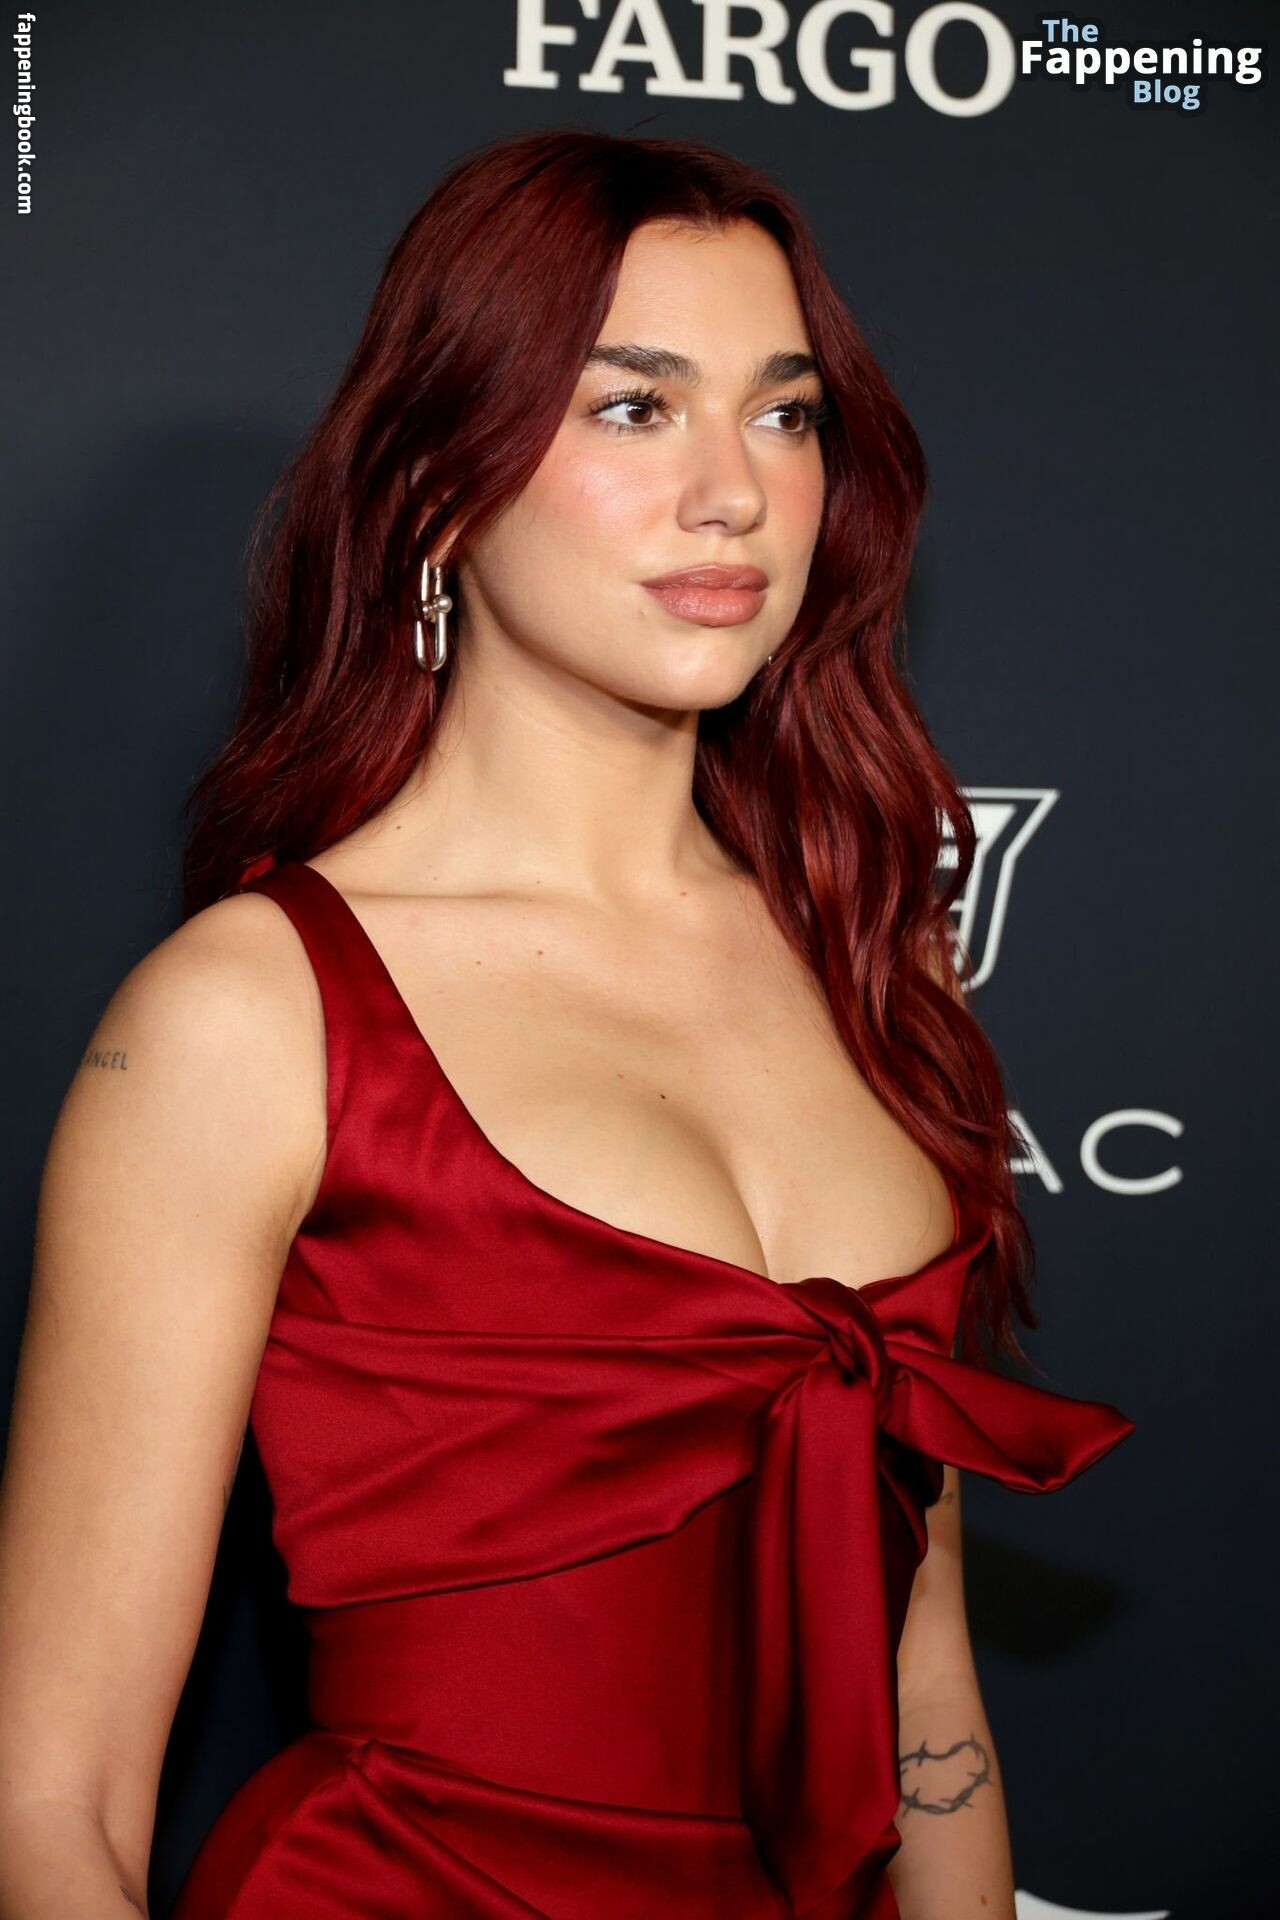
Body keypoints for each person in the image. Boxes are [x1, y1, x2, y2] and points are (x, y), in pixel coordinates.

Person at [0, 127, 1133, 1920]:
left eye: (784, 413)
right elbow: (50, 1804)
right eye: (633, 407)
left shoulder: (872, 963)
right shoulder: (249, 1015)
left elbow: (925, 1703)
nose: (733, 492)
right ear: (439, 484)